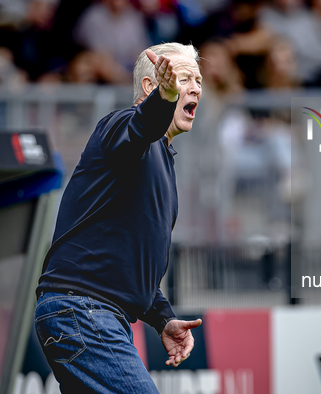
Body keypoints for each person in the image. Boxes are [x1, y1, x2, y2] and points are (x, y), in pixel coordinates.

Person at [34, 42, 203, 393]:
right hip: (82, 312)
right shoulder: (121, 124)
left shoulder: (162, 159)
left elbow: (130, 258)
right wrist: (166, 95)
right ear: (150, 86)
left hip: (86, 313)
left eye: (199, 80)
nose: (197, 88)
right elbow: (143, 125)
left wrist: (163, 319)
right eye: (184, 77)